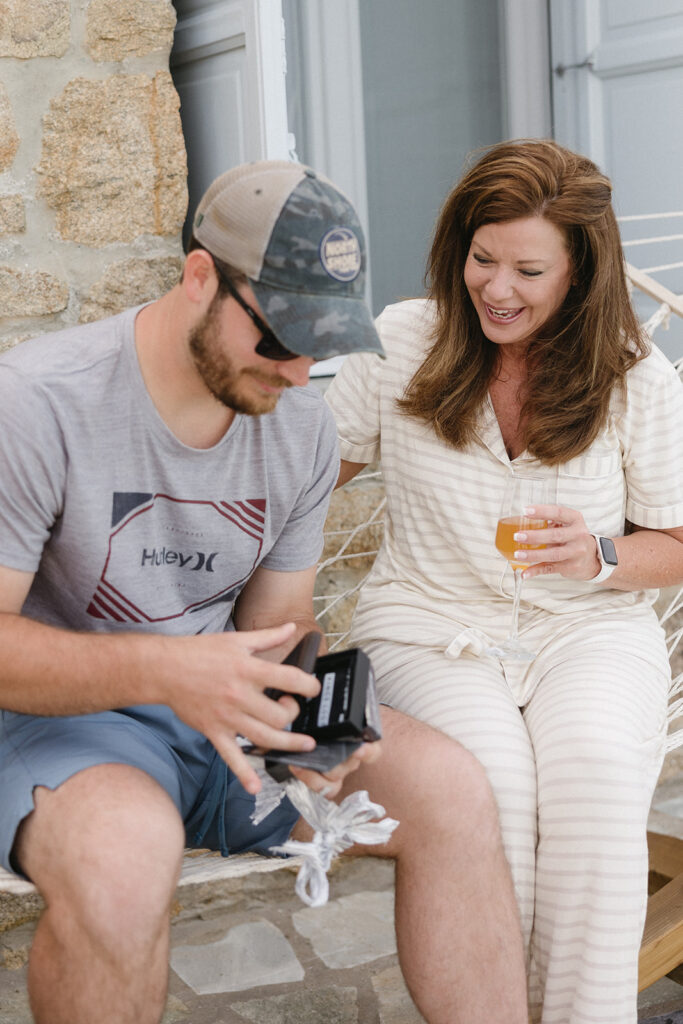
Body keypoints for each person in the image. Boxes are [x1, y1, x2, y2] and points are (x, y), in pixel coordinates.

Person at [0, 160, 528, 1024]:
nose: (297, 372)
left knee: (453, 792)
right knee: (126, 860)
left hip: (229, 718)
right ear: (200, 276)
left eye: (321, 342)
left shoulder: (299, 427)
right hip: (59, 726)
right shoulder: (35, 404)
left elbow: (277, 624)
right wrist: (171, 675)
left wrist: (312, 726)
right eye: (281, 337)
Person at [325, 139, 683, 1024]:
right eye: (483, 259)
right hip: (430, 624)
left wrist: (601, 556)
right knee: (490, 785)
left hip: (588, 628)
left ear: (580, 274)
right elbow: (305, 479)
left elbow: (676, 539)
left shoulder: (636, 373)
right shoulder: (403, 338)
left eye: (528, 269)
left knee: (596, 780)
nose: (497, 288)